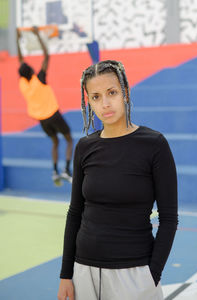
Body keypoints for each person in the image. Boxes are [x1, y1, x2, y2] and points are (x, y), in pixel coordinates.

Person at [57, 60, 178, 300]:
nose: (105, 103)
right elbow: (75, 212)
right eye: (96, 97)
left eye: (111, 92)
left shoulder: (154, 145)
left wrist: (152, 274)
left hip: (135, 274)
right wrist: (66, 275)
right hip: (84, 271)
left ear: (125, 92)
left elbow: (169, 218)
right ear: (88, 102)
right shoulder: (85, 147)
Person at [16, 26, 73, 185]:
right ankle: (66, 170)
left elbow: (20, 61)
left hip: (41, 119)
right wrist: (38, 36)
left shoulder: (23, 84)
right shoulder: (39, 78)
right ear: (32, 71)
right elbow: (46, 56)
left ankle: (54, 171)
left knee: (55, 142)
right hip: (53, 114)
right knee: (69, 139)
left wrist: (17, 38)